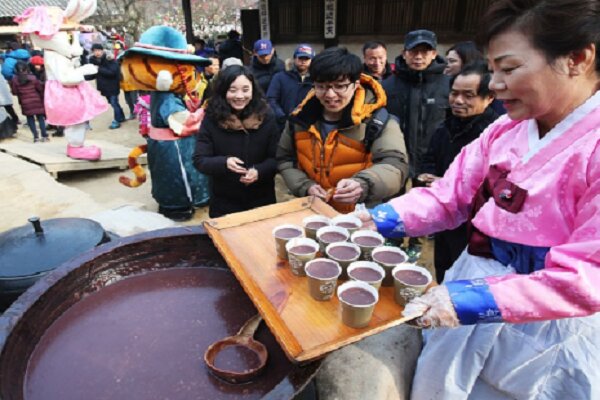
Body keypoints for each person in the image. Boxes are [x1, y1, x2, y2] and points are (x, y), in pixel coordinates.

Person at [360, 0, 600, 398]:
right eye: (493, 69)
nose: (495, 83)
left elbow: (589, 275)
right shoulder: (504, 131)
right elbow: (448, 197)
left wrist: (477, 300)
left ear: (577, 58)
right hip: (470, 283)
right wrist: (377, 220)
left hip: (546, 320)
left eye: (509, 68)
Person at [277, 47, 408, 213]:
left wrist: (363, 184)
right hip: (315, 210)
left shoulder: (378, 122)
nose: (330, 95)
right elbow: (285, 158)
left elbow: (395, 165)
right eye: (322, 86)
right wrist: (305, 186)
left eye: (340, 86)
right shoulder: (300, 119)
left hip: (360, 216)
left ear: (355, 84)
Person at [418, 61, 498, 283]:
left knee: (467, 278)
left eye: (468, 95)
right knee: (442, 267)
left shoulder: (493, 134)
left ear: (489, 97)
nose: (458, 100)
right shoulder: (445, 127)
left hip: (474, 225)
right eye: (454, 93)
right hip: (444, 217)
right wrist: (426, 177)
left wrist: (447, 184)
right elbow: (429, 159)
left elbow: (494, 183)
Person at [382, 29, 450, 259]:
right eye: (414, 51)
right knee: (394, 198)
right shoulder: (389, 84)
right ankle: (392, 238)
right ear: (404, 53)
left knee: (424, 202)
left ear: (433, 54)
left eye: (425, 51)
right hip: (396, 155)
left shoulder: (446, 84)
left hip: (430, 157)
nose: (419, 57)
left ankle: (416, 241)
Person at [193, 65, 279, 218]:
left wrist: (259, 171)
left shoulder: (266, 115)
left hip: (262, 198)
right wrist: (224, 163)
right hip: (224, 200)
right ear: (223, 91)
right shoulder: (212, 118)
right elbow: (200, 160)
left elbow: (276, 158)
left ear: (253, 90)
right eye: (233, 90)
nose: (239, 96)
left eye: (245, 90)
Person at [266, 43, 315, 132]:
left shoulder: (317, 79)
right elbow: (271, 99)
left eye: (306, 58)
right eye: (300, 58)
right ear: (294, 58)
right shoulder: (280, 77)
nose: (303, 61)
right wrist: (282, 116)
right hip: (283, 125)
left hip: (310, 125)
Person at [88, 43, 125, 129]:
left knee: (114, 102)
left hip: (113, 84)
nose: (97, 53)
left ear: (102, 50)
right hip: (103, 86)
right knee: (113, 103)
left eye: (98, 50)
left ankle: (117, 120)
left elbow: (112, 72)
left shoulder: (109, 59)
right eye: (95, 51)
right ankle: (121, 116)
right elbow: (93, 74)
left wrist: (99, 69)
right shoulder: (92, 60)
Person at [10, 61, 48, 142]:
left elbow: (14, 92)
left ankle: (36, 137)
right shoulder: (33, 78)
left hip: (25, 102)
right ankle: (44, 136)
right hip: (36, 100)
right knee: (41, 118)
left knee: (30, 119)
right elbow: (40, 89)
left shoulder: (14, 80)